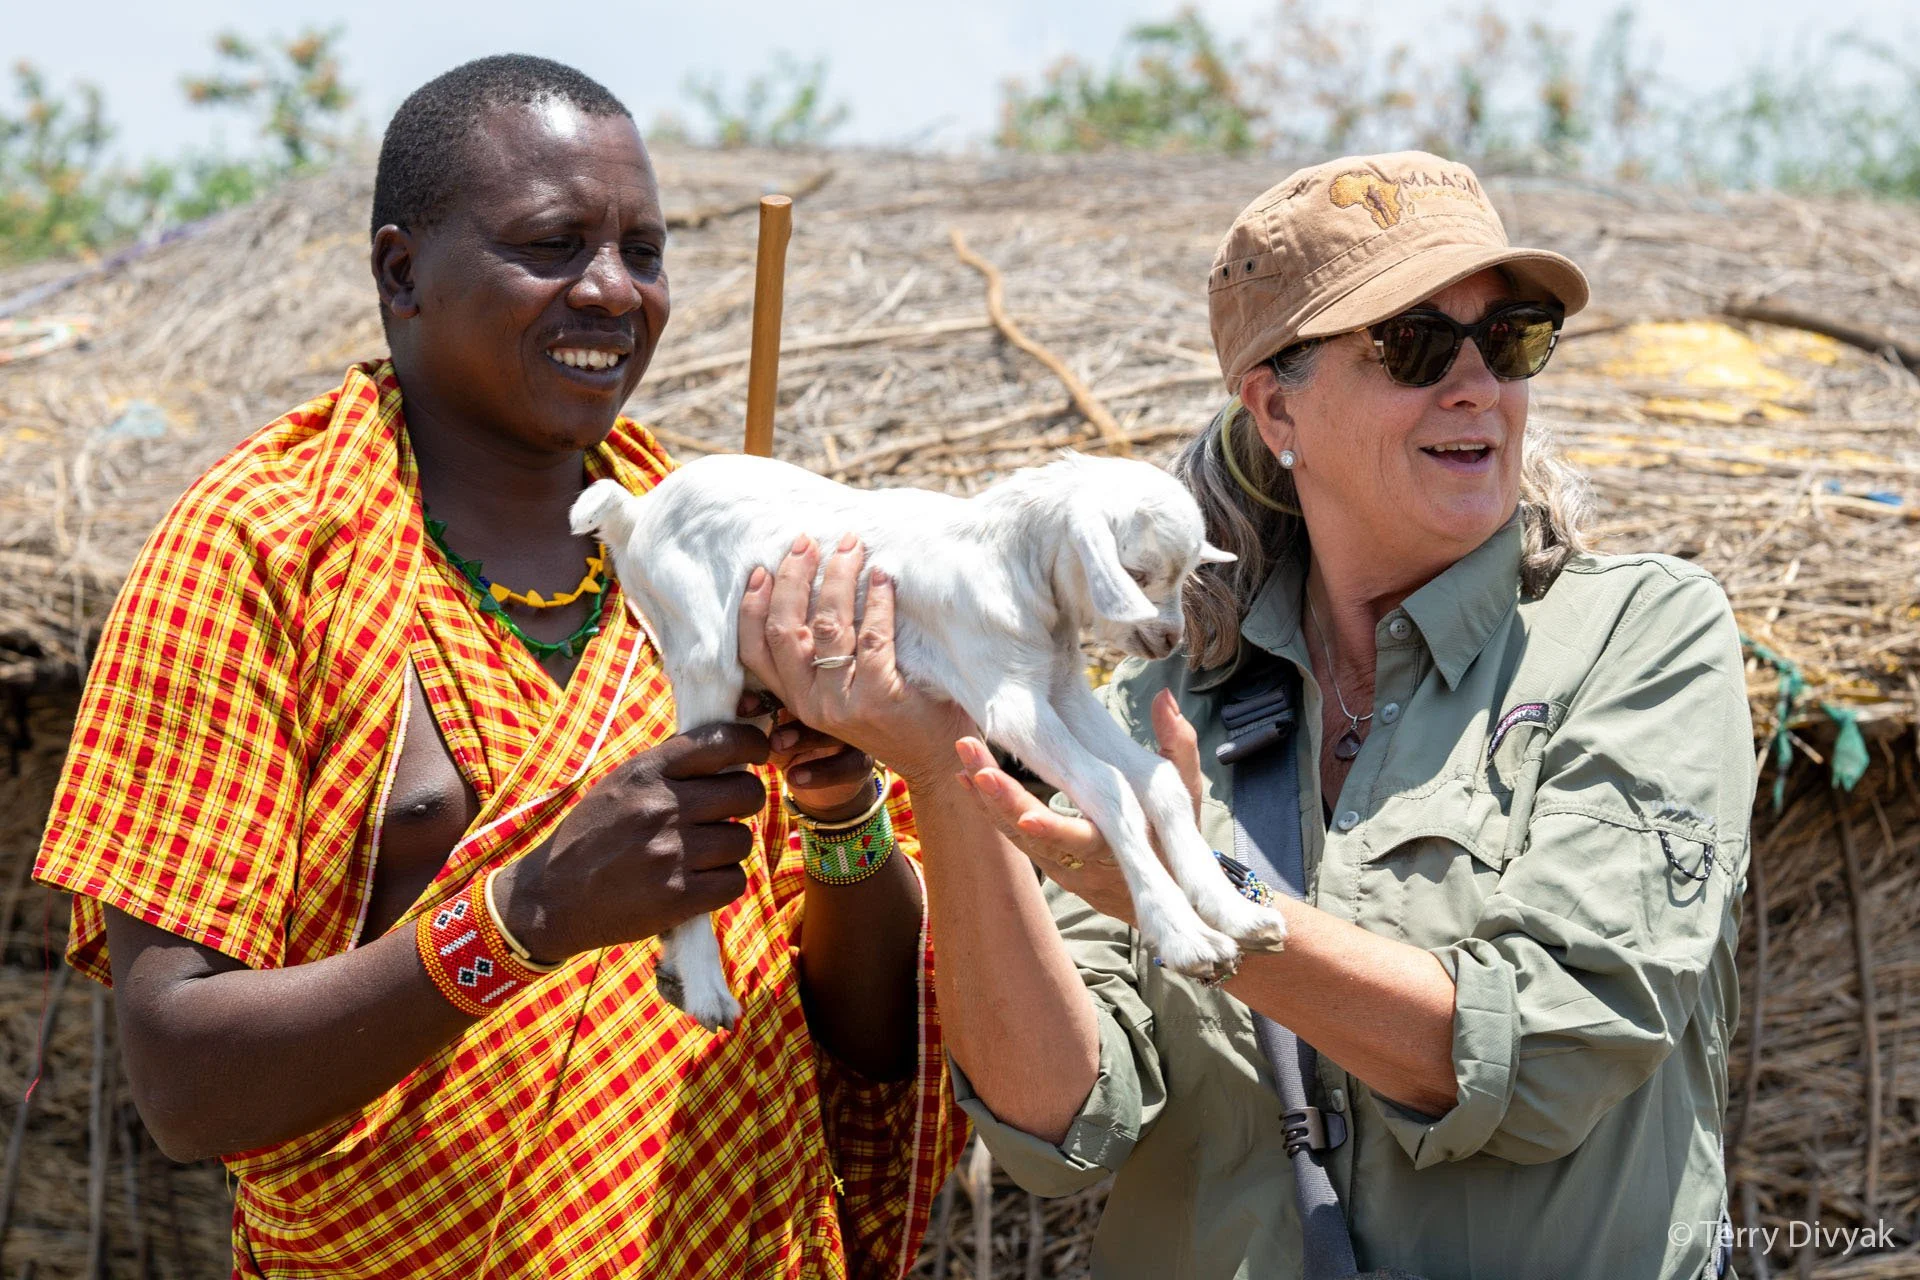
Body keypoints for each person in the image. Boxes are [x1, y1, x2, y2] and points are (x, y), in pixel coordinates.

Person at [742, 152, 1753, 1279]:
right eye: (1413, 345)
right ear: (1277, 405)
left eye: (1511, 337)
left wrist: (1202, 898)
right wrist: (944, 765)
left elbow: (1555, 1048)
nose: (1477, 385)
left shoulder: (1645, 637)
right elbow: (1063, 1124)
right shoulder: (1157, 706)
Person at [34, 55, 962, 1279]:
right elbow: (186, 1081)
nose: (612, 291)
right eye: (554, 243)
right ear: (400, 272)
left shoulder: (719, 546)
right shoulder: (263, 546)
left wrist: (843, 809)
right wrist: (526, 912)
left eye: (644, 248)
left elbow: (874, 1040)